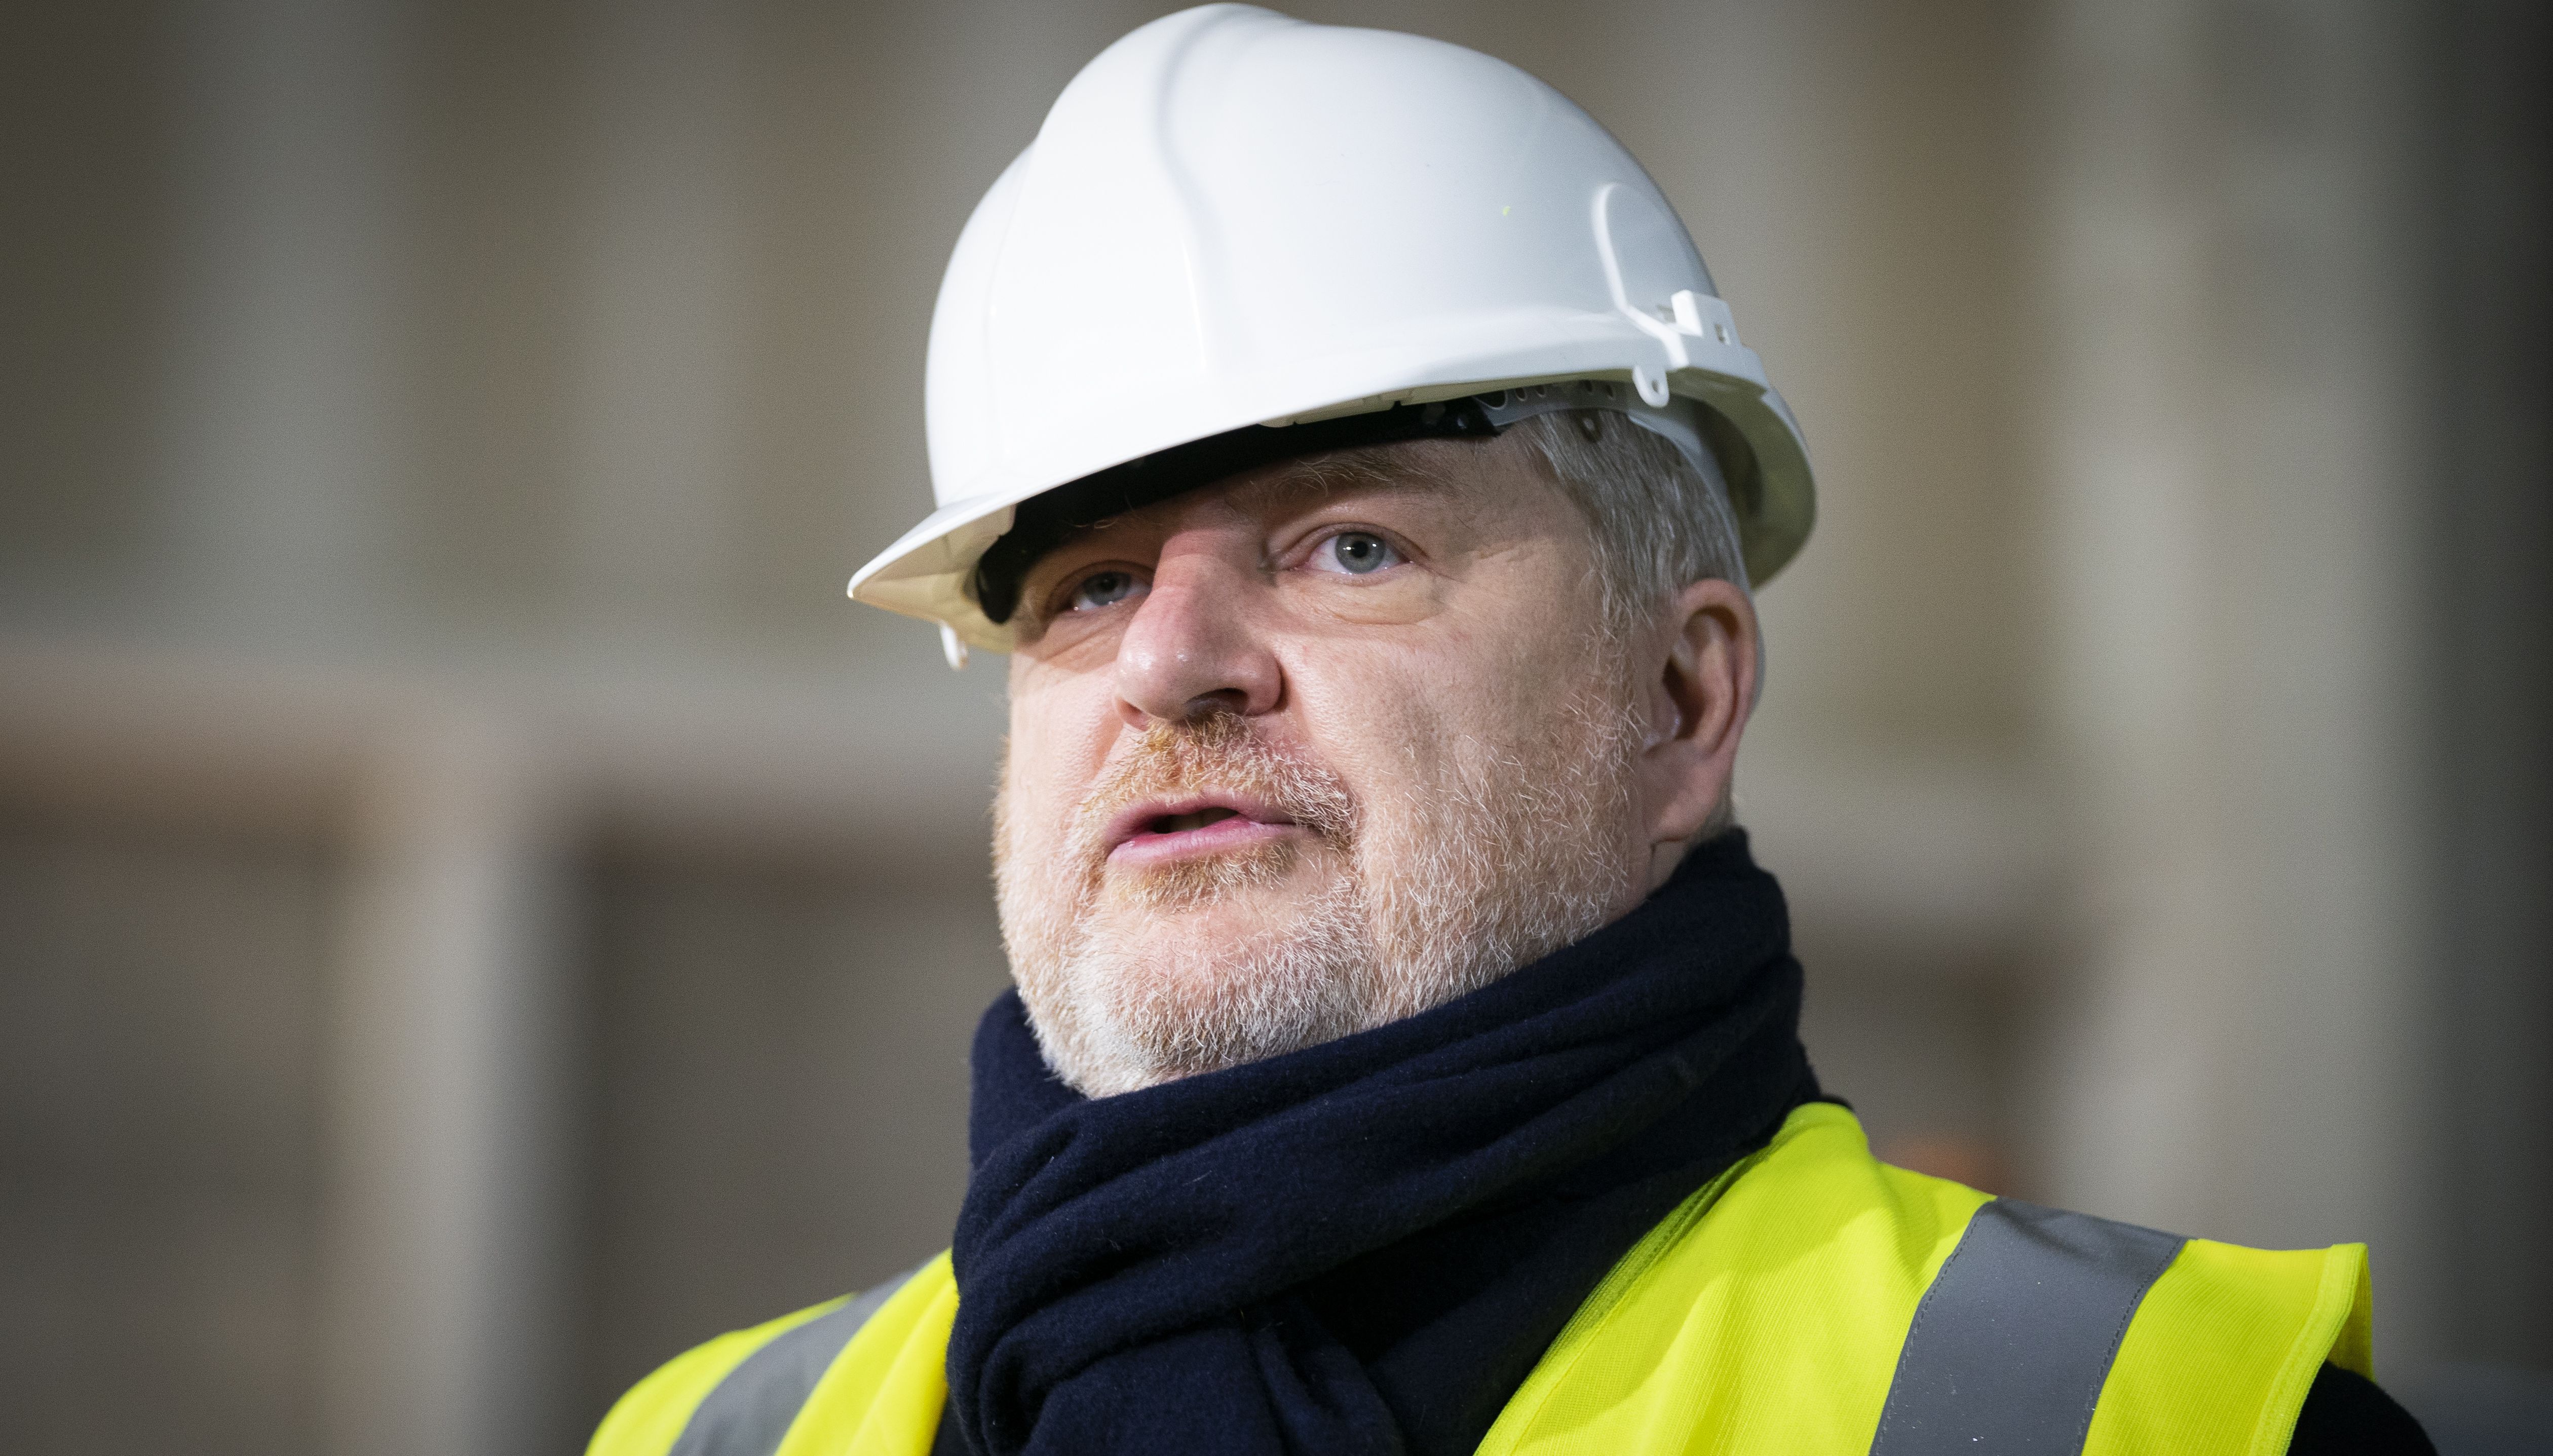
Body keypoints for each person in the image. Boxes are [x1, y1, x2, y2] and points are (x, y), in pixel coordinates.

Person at [589, 8, 2432, 1454]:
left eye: (1351, 545)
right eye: (1083, 588)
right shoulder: (711, 1439)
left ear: (1680, 698)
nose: (1170, 664)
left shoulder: (2163, 1427)